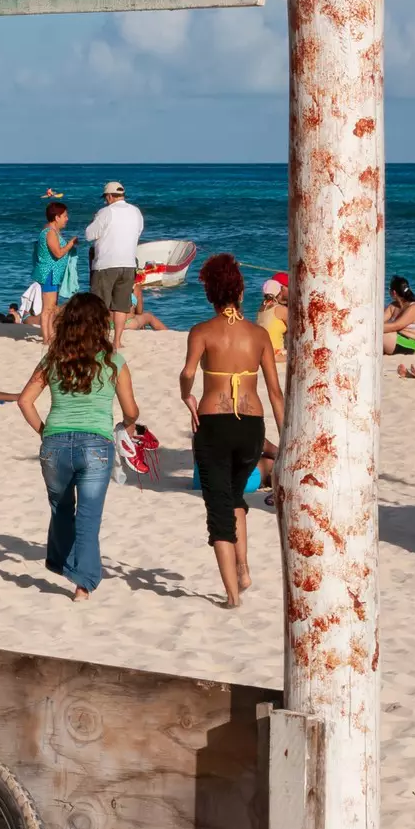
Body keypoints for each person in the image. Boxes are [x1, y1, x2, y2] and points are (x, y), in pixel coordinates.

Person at [16, 292, 143, 602]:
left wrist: (44, 431)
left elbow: (24, 401)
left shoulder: (54, 358)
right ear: (101, 324)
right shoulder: (114, 361)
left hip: (55, 442)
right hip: (96, 445)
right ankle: (82, 586)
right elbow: (131, 410)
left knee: (61, 510)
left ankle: (62, 564)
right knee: (88, 515)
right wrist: (128, 423)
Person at [180, 253, 285, 609]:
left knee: (218, 510)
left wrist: (187, 398)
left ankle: (232, 596)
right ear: (239, 292)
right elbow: (274, 391)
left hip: (214, 423)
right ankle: (243, 569)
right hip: (252, 427)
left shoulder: (202, 332)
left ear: (211, 292)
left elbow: (188, 374)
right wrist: (285, 440)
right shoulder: (257, 335)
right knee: (236, 496)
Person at [83, 181, 145, 348]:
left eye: (106, 198)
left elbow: (89, 234)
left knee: (100, 305)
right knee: (121, 305)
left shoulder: (105, 212)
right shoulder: (136, 212)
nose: (105, 200)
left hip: (106, 263)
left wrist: (95, 220)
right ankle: (117, 340)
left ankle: (100, 339)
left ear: (109, 196)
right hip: (129, 263)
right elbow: (138, 232)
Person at [31, 200, 78, 343]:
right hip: (49, 273)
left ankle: (50, 334)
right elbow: (57, 253)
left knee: (52, 307)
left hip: (53, 274)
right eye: (64, 216)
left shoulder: (52, 231)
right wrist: (70, 244)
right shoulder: (50, 232)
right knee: (48, 308)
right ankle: (46, 338)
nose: (67, 219)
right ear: (56, 217)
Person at [383, 275, 415, 356]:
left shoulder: (414, 307)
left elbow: (396, 326)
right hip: (395, 339)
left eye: (389, 289)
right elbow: (380, 320)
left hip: (409, 344)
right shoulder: (393, 306)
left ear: (394, 292)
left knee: (377, 334)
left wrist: (372, 328)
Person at [257, 272, 289, 354]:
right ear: (281, 289)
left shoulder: (263, 306)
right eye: (289, 286)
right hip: (275, 353)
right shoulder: (281, 310)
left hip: (261, 351)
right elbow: (297, 331)